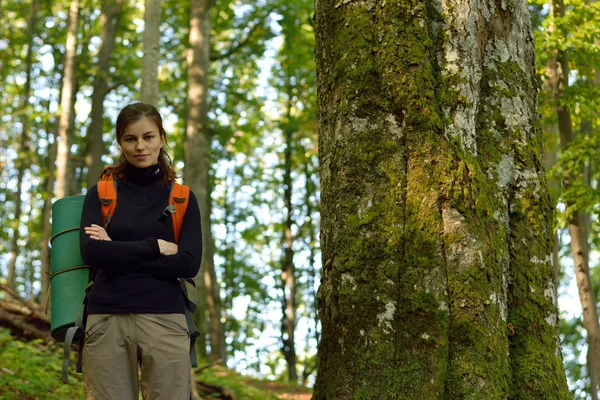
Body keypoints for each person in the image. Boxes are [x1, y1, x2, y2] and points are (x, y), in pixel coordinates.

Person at [79, 102, 202, 400]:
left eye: (148, 137)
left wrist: (116, 252)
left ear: (161, 137)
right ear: (120, 142)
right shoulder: (102, 193)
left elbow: (187, 264)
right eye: (130, 139)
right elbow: (91, 253)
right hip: (106, 318)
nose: (140, 146)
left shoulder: (183, 198)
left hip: (166, 319)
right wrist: (155, 247)